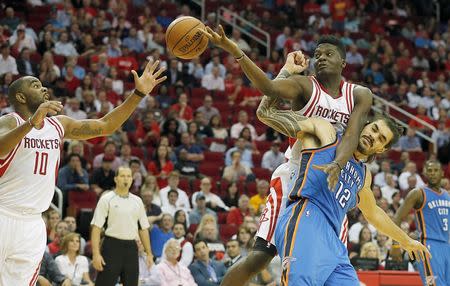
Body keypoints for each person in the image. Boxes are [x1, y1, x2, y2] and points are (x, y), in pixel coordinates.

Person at [202, 31, 372, 285]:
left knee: (329, 265)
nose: (321, 58)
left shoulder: (359, 94)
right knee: (260, 257)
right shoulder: (305, 86)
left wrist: (337, 163)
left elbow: (352, 134)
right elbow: (268, 89)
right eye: (317, 55)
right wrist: (237, 51)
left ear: (343, 63)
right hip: (295, 177)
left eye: (329, 54)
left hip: (332, 185)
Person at [0, 59, 165, 285]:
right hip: (4, 213)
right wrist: (31, 123)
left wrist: (137, 93)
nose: (44, 88)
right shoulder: (10, 121)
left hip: (33, 223)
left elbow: (105, 126)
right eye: (36, 85)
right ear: (20, 97)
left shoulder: (59, 125)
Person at [264, 111, 429, 284]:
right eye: (373, 129)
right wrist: (267, 111)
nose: (373, 136)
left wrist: (407, 241)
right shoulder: (330, 135)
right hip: (306, 217)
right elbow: (294, 123)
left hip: (333, 241)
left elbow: (373, 213)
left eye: (381, 138)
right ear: (364, 125)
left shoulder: (364, 175)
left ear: (382, 149)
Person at [90, 167, 154, 286]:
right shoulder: (106, 199)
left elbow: (143, 229)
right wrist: (96, 254)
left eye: (129, 176)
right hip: (111, 246)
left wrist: (149, 253)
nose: (126, 179)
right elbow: (96, 228)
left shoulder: (138, 201)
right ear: (116, 179)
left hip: (131, 247)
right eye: (122, 176)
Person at [393, 160, 450, 286]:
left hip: (446, 246)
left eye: (436, 170)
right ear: (424, 173)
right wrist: (396, 245)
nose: (433, 173)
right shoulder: (418, 193)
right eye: (429, 171)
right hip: (428, 246)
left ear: (442, 173)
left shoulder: (447, 195)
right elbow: (397, 218)